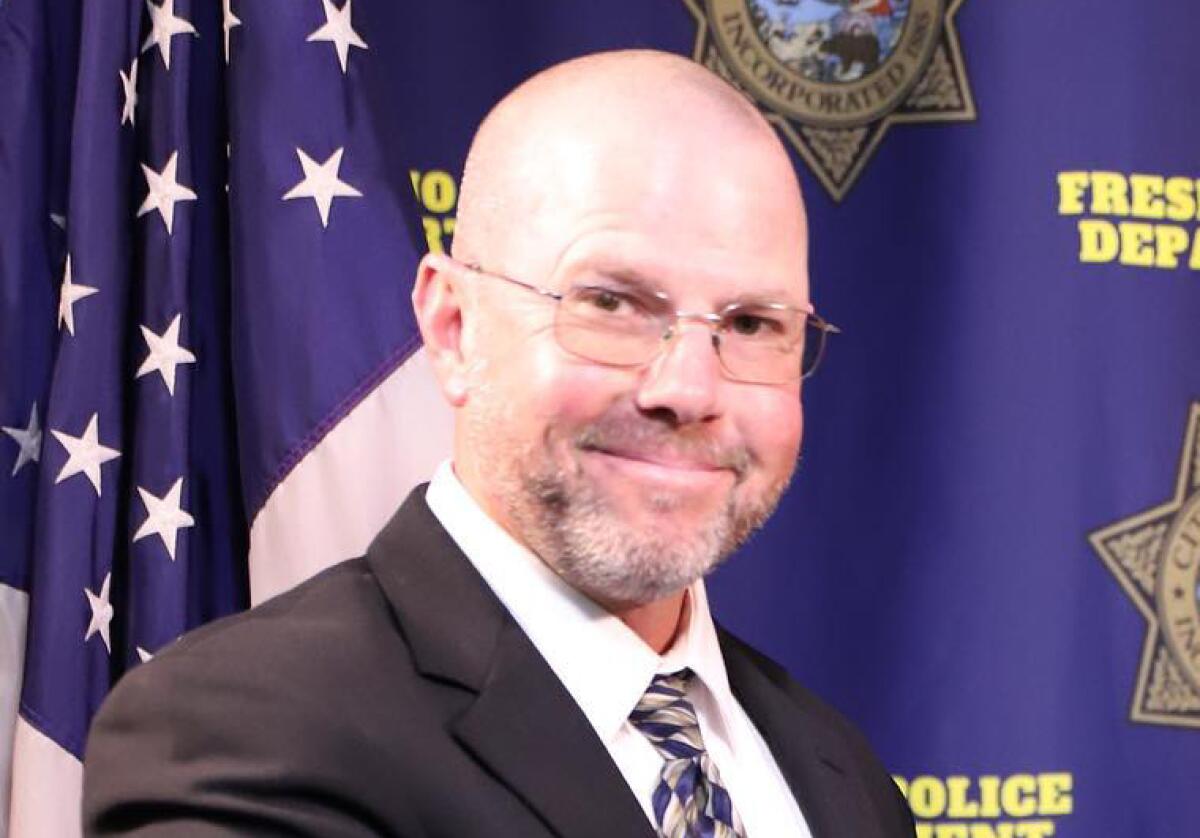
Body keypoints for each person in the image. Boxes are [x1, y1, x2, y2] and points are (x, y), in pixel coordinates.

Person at [83, 49, 915, 837]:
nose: (689, 391)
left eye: (750, 323)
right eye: (612, 304)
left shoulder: (837, 772)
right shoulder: (243, 731)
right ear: (452, 328)